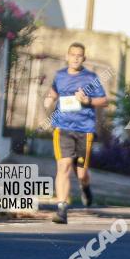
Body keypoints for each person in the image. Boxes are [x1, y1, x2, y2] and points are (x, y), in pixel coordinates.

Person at [44, 43, 108, 224]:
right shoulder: (60, 75)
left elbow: (104, 101)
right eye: (73, 55)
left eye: (79, 55)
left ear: (84, 58)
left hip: (84, 129)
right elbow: (53, 92)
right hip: (62, 127)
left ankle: (85, 187)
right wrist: (48, 101)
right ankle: (62, 208)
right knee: (63, 167)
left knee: (81, 174)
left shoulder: (90, 77)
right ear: (67, 56)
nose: (76, 58)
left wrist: (87, 100)